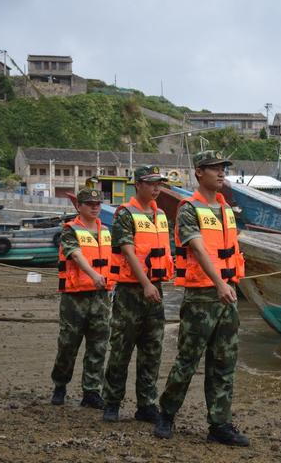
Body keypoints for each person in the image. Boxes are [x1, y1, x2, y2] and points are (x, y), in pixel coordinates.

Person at [154, 151, 249, 447]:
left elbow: (229, 248)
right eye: (214, 168)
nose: (221, 173)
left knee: (224, 361)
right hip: (202, 296)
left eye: (223, 168)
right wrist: (219, 283)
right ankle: (166, 414)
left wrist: (229, 284)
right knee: (188, 359)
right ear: (199, 172)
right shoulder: (188, 209)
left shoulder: (226, 209)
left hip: (227, 294)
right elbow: (197, 248)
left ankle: (219, 423)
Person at [101, 165, 174, 423]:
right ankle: (111, 402)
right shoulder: (125, 214)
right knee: (121, 348)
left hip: (156, 290)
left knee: (152, 349)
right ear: (138, 185)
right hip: (132, 291)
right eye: (152, 183)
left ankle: (146, 404)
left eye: (159, 183)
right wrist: (145, 284)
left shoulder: (161, 215)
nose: (157, 188)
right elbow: (129, 251)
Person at [50, 187, 114, 409]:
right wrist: (94, 274)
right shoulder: (70, 230)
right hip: (75, 297)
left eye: (98, 204)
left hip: (101, 296)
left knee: (98, 344)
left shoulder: (105, 231)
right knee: (68, 343)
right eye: (90, 204)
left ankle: (91, 391)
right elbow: (75, 255)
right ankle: (60, 384)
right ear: (79, 206)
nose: (95, 208)